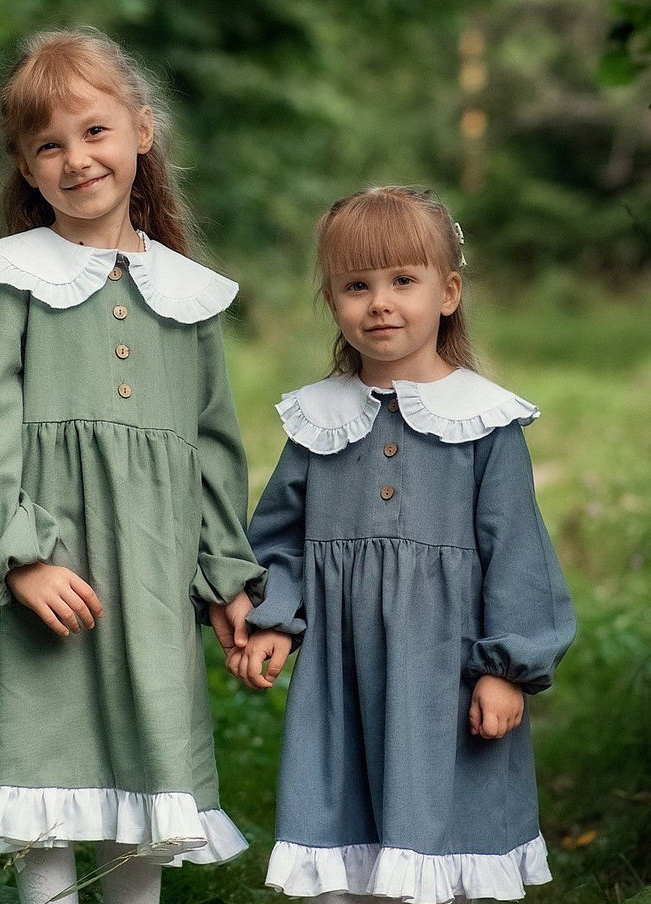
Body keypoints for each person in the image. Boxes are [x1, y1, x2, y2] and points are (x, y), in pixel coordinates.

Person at [0, 28, 264, 904]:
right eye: (49, 145)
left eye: (94, 131)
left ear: (141, 131)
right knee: (43, 769)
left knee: (146, 777)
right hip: (54, 564)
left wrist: (226, 575)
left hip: (153, 575)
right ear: (25, 166)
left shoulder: (187, 293)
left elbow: (213, 446)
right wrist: (22, 558)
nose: (77, 159)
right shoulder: (14, 279)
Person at [223, 186, 575, 904]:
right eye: (357, 285)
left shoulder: (483, 422)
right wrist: (277, 618)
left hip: (447, 676)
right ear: (332, 301)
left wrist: (507, 669)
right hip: (344, 675)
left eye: (403, 280)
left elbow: (518, 555)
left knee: (446, 840)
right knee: (345, 835)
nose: (380, 303)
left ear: (448, 293)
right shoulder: (319, 420)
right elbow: (281, 537)